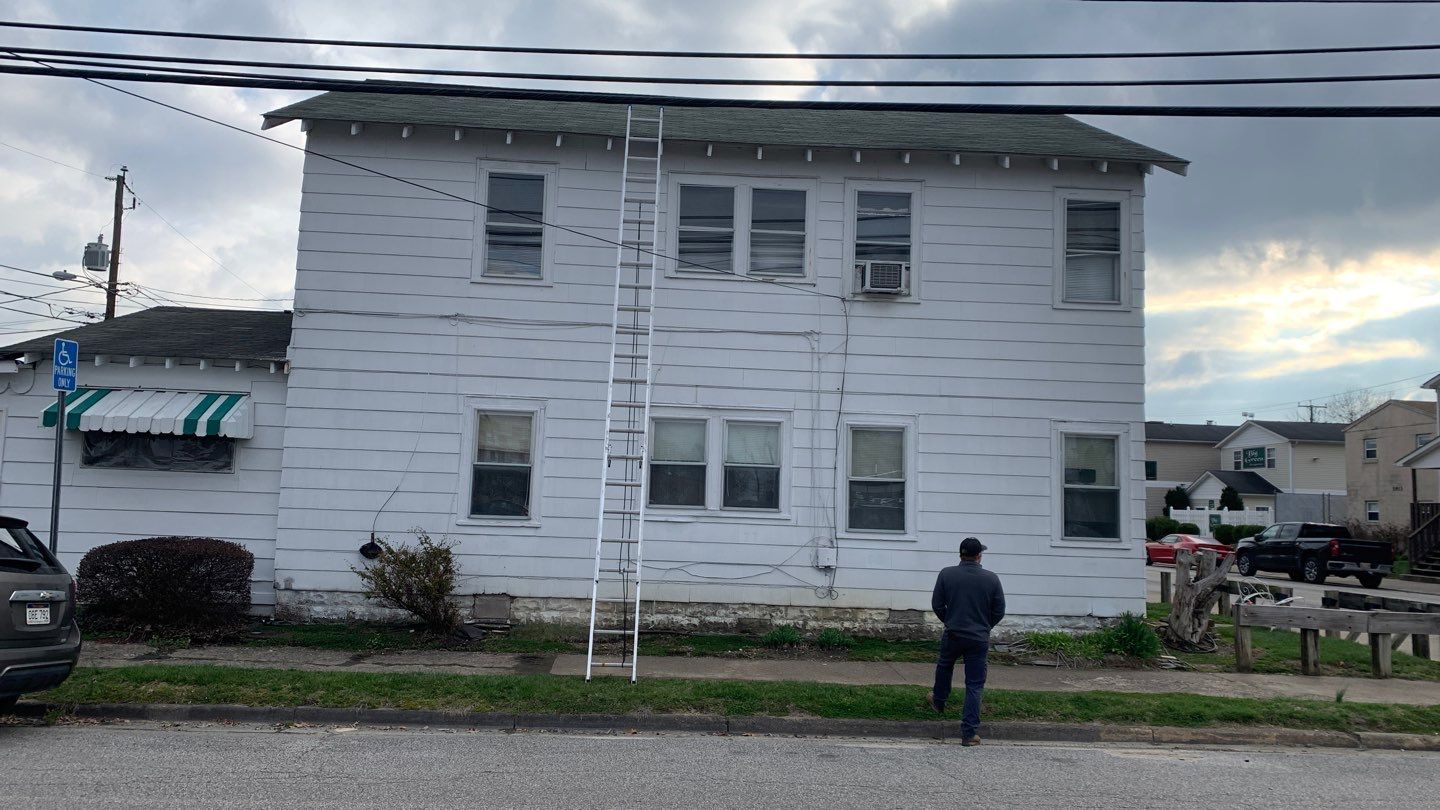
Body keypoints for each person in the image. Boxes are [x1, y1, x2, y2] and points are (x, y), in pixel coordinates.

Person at [929, 536, 1005, 746]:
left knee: (945, 666)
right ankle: (969, 733)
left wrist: (950, 620)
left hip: (953, 632)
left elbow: (937, 604)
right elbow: (999, 610)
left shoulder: (946, 574)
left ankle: (939, 700)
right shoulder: (991, 579)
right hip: (978, 637)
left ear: (960, 555)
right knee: (974, 684)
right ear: (979, 556)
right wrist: (985, 626)